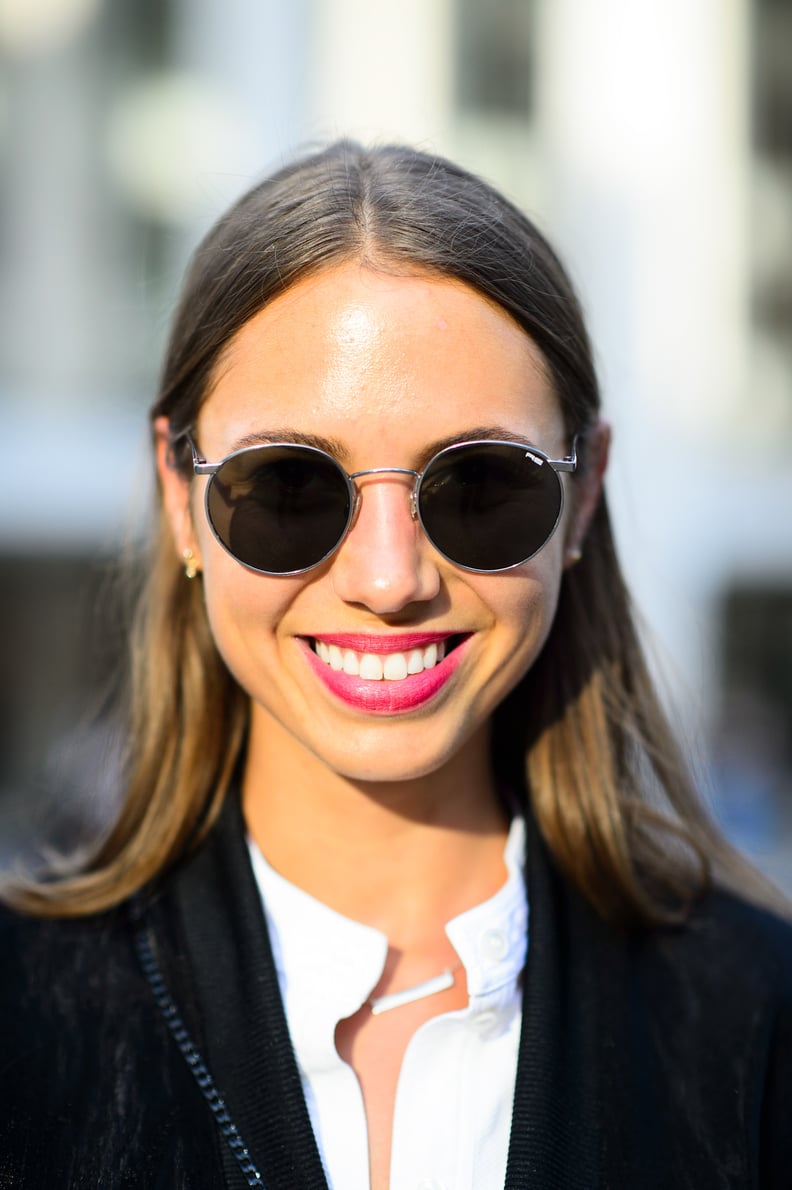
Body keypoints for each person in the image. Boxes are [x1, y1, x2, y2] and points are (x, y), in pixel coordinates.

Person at [1, 141, 791, 1190]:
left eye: (480, 487)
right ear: (177, 491)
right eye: (288, 485)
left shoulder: (760, 1024)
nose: (388, 576)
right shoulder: (20, 1017)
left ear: (585, 493)